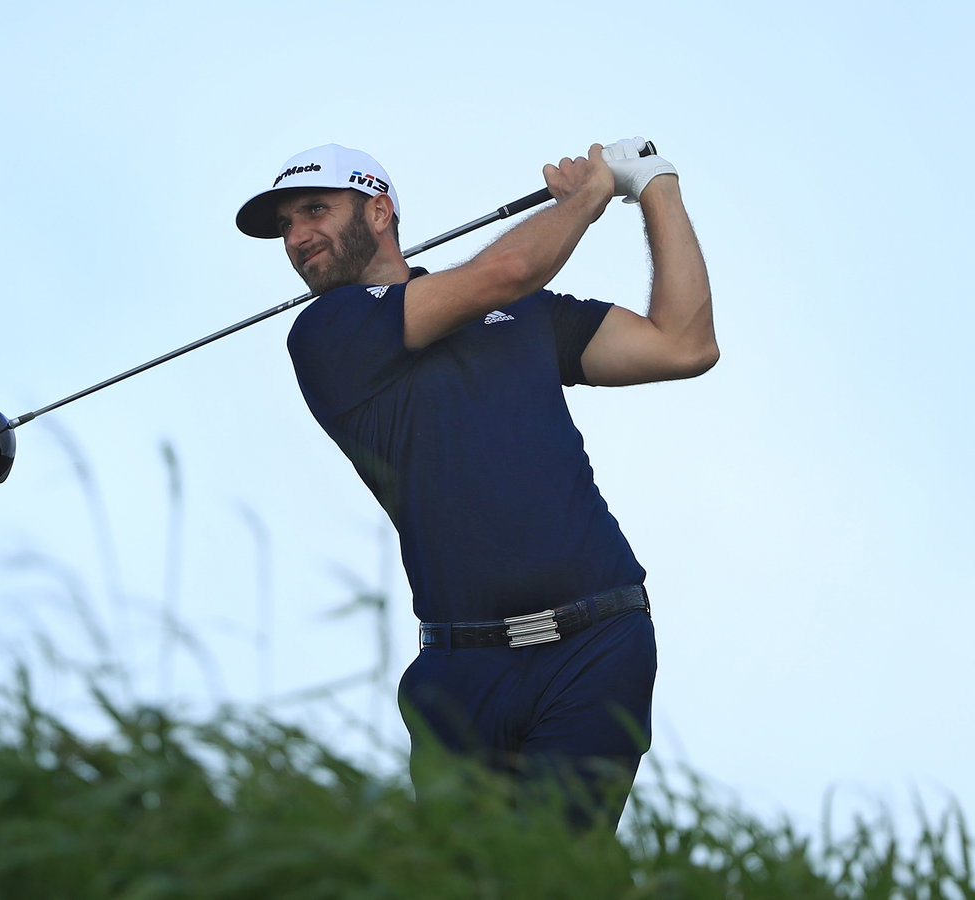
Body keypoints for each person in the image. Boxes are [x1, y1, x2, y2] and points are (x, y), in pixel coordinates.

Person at [234, 139, 715, 829]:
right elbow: (507, 269)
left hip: (598, 638)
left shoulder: (527, 315)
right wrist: (587, 196)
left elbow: (685, 343)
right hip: (459, 672)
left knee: (555, 870)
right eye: (285, 226)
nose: (298, 236)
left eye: (315, 210)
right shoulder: (326, 332)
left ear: (378, 212)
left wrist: (654, 182)